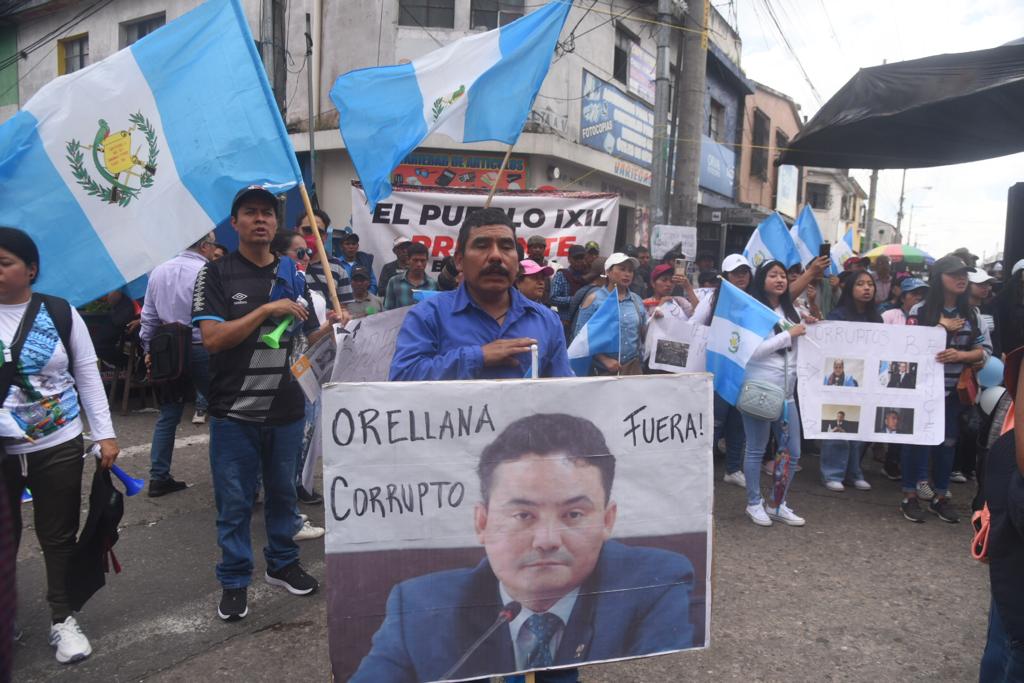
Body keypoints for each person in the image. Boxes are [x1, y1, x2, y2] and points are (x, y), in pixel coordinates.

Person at [351, 413, 695, 683]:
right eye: (522, 515)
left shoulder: (656, 584)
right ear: (482, 522)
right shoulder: (419, 607)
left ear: (607, 519)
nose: (547, 540)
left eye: (573, 514)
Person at [192, 185, 340, 622]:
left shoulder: (296, 273)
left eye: (268, 214)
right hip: (233, 411)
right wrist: (263, 310)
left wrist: (331, 327)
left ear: (276, 224)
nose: (261, 219)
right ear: (234, 223)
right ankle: (235, 580)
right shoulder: (216, 274)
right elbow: (213, 340)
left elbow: (305, 338)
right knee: (235, 503)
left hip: (288, 408)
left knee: (282, 498)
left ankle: (282, 564)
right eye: (250, 213)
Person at [0, 226, 120, 664]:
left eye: (4, 262)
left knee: (57, 533)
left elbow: (87, 374)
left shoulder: (60, 311)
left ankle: (62, 617)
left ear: (30, 269)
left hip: (59, 440)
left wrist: (104, 433)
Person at [389, 208, 570, 381]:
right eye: (482, 246)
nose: (496, 256)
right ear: (460, 260)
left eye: (506, 247)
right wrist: (477, 356)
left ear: (517, 261)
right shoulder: (428, 315)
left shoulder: (547, 321)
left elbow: (564, 392)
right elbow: (402, 378)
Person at [904, 254, 991, 524]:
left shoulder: (972, 314)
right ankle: (910, 496)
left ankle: (940, 496)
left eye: (964, 274)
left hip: (954, 393)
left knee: (947, 444)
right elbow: (906, 349)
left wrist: (961, 356)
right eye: (954, 274)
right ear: (939, 277)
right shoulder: (920, 311)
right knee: (916, 442)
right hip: (920, 391)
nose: (961, 278)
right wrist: (939, 329)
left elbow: (985, 352)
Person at [140, 232, 217, 496]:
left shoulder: (159, 271)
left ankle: (158, 476)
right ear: (205, 245)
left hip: (168, 349)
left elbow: (148, 317)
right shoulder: (208, 271)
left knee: (168, 414)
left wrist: (148, 349)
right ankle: (224, 477)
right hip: (201, 346)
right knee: (221, 411)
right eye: (212, 244)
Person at [740, 260, 813, 527]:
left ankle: (777, 503)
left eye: (783, 276)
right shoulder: (753, 311)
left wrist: (806, 326)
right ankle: (753, 502)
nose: (780, 280)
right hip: (760, 386)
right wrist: (788, 335)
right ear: (762, 280)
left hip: (787, 392)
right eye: (773, 275)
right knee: (757, 449)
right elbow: (752, 351)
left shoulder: (791, 310)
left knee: (792, 451)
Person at [268, 230, 330, 527]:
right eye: (299, 253)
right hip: (265, 377)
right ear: (280, 254)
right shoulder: (273, 284)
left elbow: (311, 335)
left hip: (295, 379)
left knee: (290, 448)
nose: (306, 258)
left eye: (308, 252)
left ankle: (287, 514)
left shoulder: (303, 285)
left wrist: (332, 327)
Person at [689, 254, 752, 488]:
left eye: (745, 272)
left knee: (738, 422)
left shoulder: (754, 302)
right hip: (717, 369)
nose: (741, 277)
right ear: (725, 277)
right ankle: (703, 471)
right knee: (714, 422)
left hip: (743, 370)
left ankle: (733, 468)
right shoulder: (713, 298)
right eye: (736, 273)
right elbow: (694, 325)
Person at [820, 271, 881, 492]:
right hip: (841, 380)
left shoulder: (877, 317)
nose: (867, 288)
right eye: (860, 284)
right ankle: (832, 473)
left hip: (866, 382)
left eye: (870, 284)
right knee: (839, 426)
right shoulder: (838, 315)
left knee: (860, 428)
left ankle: (854, 472)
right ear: (849, 289)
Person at [880, 277, 928, 484]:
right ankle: (885, 460)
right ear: (903, 296)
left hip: (915, 375)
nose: (918, 298)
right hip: (891, 372)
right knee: (889, 414)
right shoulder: (890, 315)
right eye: (914, 294)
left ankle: (897, 461)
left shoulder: (926, 316)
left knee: (906, 419)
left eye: (921, 294)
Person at [574, 253, 646, 376]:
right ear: (608, 272)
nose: (627, 274)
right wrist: (603, 359)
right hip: (602, 371)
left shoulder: (637, 300)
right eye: (622, 269)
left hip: (632, 369)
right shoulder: (594, 299)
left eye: (630, 270)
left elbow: (642, 332)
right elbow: (580, 336)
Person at [296, 209, 355, 312]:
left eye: (319, 232)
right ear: (296, 231)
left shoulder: (337, 267)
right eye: (308, 230)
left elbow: (344, 308)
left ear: (325, 237)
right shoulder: (284, 265)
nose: (313, 236)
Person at [549, 244, 592, 334]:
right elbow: (552, 298)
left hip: (585, 323)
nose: (579, 261)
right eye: (576, 258)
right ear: (569, 259)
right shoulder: (562, 275)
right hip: (566, 323)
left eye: (582, 258)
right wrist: (575, 299)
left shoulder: (589, 276)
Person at [383, 242, 437, 310]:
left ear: (427, 261)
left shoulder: (433, 284)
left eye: (423, 260)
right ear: (408, 260)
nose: (419, 264)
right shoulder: (394, 282)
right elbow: (387, 311)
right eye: (415, 260)